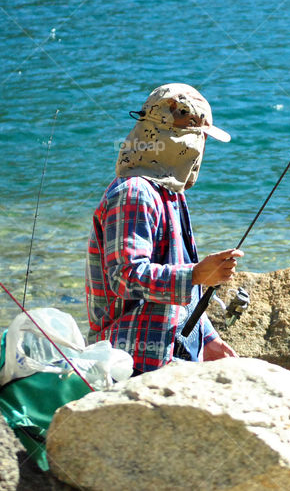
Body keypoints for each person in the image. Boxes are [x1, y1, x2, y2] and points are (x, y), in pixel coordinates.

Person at [85, 83, 241, 374]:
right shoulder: (134, 193)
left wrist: (206, 338)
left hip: (166, 353)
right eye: (200, 138)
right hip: (133, 361)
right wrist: (197, 274)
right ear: (180, 140)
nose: (201, 150)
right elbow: (125, 276)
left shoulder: (171, 194)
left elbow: (179, 283)